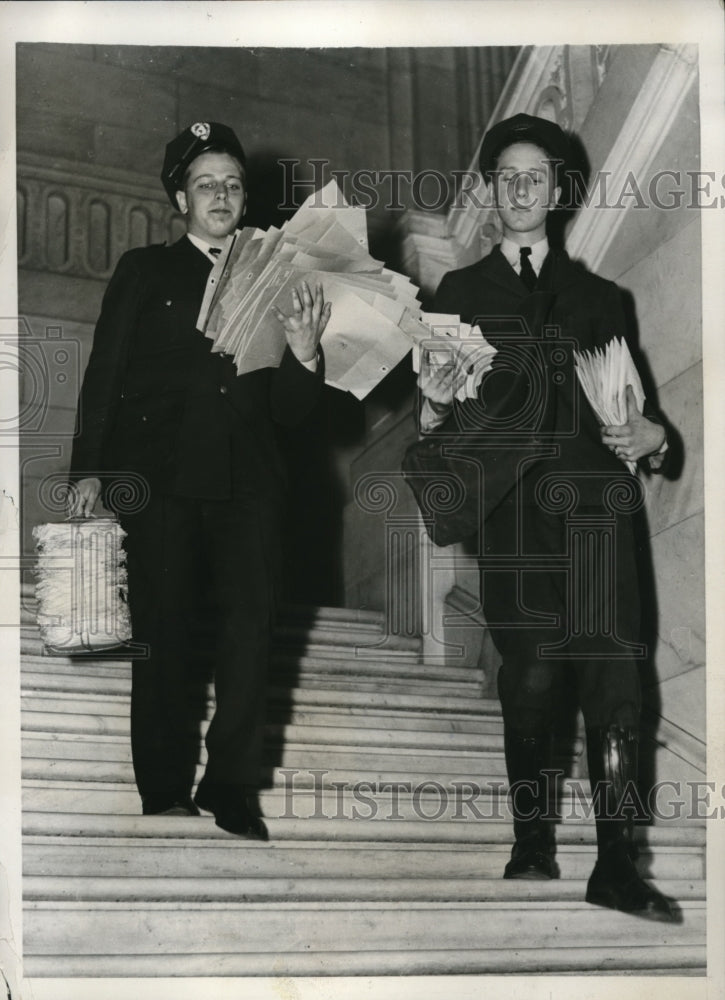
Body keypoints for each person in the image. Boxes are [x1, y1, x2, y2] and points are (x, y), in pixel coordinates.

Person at [418, 113, 677, 920]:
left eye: (536, 175)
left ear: (558, 190)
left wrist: (656, 438)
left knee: (613, 674)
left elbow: (638, 414)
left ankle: (616, 863)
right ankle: (531, 839)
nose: (521, 188)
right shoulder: (458, 296)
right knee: (529, 673)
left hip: (597, 511)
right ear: (491, 191)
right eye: (507, 176)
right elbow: (439, 425)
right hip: (513, 516)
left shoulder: (601, 299)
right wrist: (433, 405)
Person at [68, 121, 330, 840]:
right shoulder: (144, 270)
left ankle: (232, 787)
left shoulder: (278, 280)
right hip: (161, 479)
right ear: (180, 198)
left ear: (245, 199)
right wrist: (88, 470)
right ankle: (163, 788)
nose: (221, 194)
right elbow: (105, 373)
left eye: (233, 184)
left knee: (252, 631)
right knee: (164, 632)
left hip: (251, 484)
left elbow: (292, 413)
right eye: (206, 183)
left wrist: (306, 355)